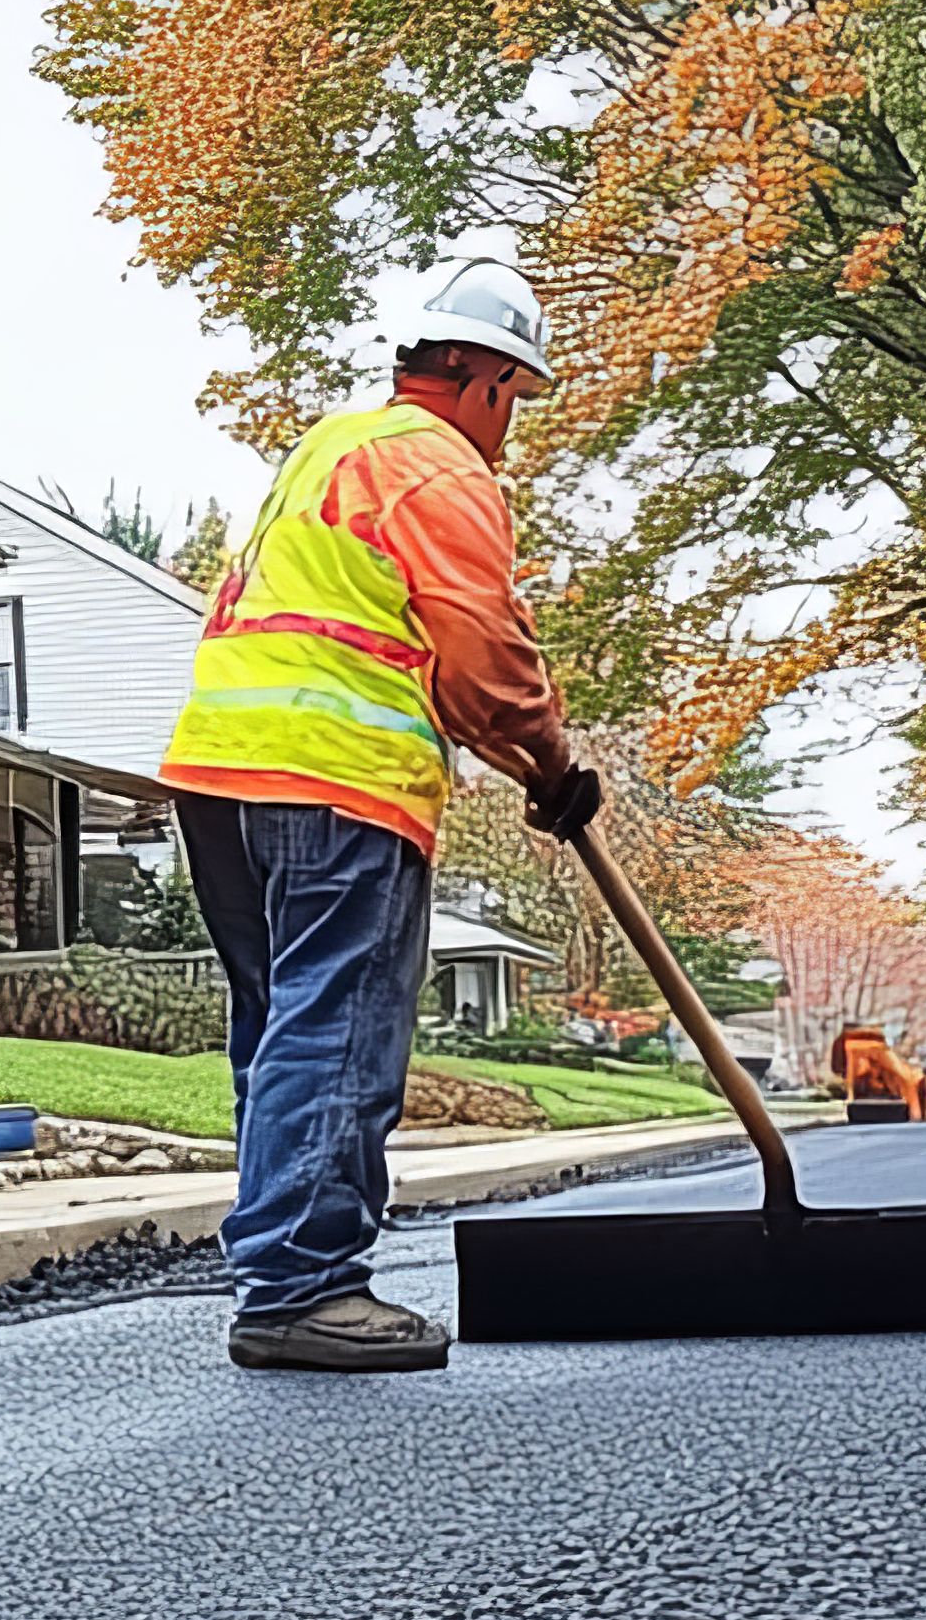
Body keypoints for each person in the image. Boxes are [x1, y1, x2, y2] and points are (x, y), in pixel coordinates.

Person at [156, 258, 604, 1372]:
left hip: (221, 772)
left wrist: (522, 759)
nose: (511, 432)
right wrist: (548, 760)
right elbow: (486, 664)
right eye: (518, 406)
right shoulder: (440, 469)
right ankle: (300, 1289)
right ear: (490, 381)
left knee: (280, 1033)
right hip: (335, 780)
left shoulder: (330, 450)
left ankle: (288, 1268)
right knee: (337, 1030)